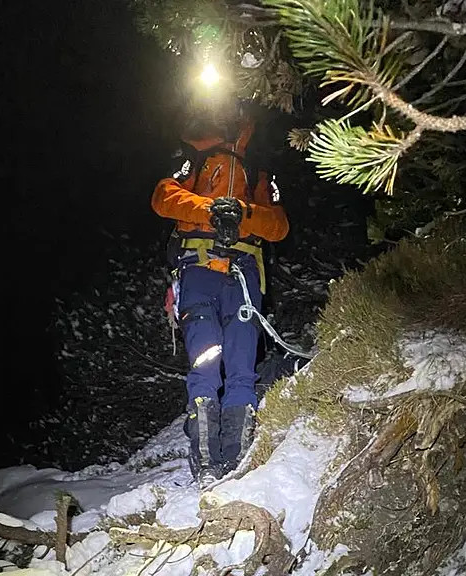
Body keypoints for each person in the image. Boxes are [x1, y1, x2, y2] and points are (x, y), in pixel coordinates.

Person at [152, 101, 289, 486]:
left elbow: (278, 224)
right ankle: (207, 462)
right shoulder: (194, 154)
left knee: (243, 367)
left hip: (244, 273)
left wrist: (241, 212)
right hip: (198, 270)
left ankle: (237, 461)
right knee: (205, 364)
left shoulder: (259, 166)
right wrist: (213, 210)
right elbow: (164, 196)